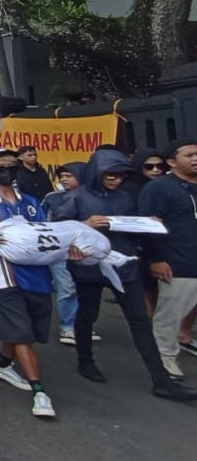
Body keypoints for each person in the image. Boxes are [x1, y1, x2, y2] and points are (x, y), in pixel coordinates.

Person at [47, 149, 196, 400]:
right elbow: (57, 231)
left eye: (122, 175)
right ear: (97, 172)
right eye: (111, 175)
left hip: (123, 263)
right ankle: (86, 360)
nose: (117, 179)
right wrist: (85, 225)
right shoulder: (76, 197)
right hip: (90, 265)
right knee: (87, 314)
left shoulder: (125, 197)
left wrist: (148, 223)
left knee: (139, 321)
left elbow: (135, 227)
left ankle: (160, 379)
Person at [0, 150, 60, 418]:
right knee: (21, 332)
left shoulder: (30, 202)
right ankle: (39, 391)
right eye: (0, 166)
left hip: (38, 275)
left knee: (27, 327)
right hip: (4, 275)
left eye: (11, 165)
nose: (7, 169)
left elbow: (47, 234)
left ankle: (2, 363)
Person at [138, 140, 197, 379]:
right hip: (177, 264)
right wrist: (156, 259)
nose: (196, 158)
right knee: (170, 313)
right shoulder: (160, 188)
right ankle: (165, 356)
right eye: (190, 154)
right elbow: (148, 226)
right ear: (172, 161)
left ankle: (182, 340)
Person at [43, 164, 85, 345]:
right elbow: (42, 222)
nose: (64, 179)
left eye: (70, 175)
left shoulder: (91, 198)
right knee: (66, 287)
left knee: (84, 289)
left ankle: (82, 325)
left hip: (86, 251)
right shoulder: (52, 198)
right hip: (60, 251)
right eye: (62, 176)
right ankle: (67, 326)